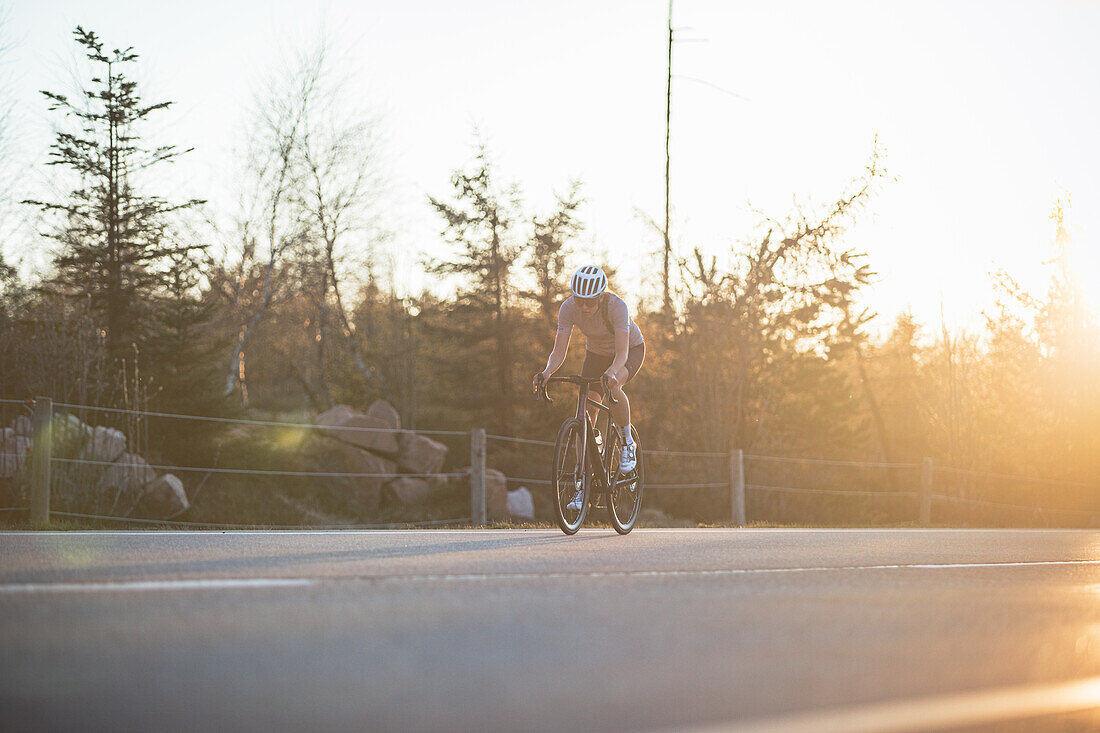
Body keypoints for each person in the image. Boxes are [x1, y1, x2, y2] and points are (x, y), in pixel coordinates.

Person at [532, 265, 646, 511]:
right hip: (595, 355)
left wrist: (613, 373)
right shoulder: (568, 308)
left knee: (614, 387)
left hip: (628, 353)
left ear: (601, 296)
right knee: (584, 417)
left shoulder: (617, 307)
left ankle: (627, 443)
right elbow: (559, 350)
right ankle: (581, 485)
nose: (583, 307)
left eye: (589, 302)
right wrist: (547, 372)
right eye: (579, 300)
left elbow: (623, 352)